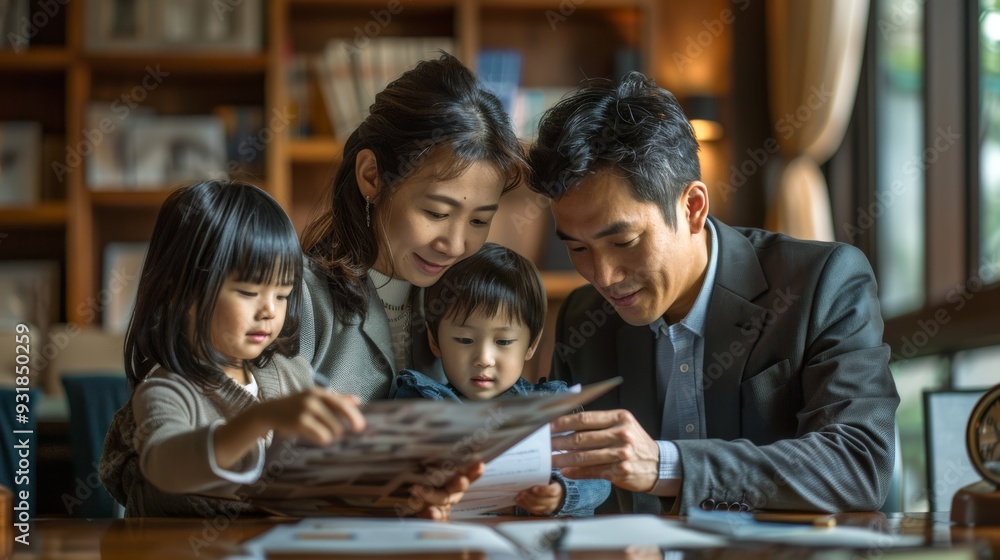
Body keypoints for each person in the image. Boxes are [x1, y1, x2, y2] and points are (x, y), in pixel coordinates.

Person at [526, 72, 900, 514]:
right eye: (577, 248)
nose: (603, 276)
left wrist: (665, 466)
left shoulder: (822, 282)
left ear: (693, 207)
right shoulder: (583, 319)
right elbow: (568, 485)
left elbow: (858, 463)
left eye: (623, 242)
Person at [298, 53, 525, 515]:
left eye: (479, 220)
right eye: (436, 212)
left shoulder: (463, 307)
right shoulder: (295, 299)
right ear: (372, 177)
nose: (455, 244)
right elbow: (248, 465)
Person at [99, 180, 366, 518]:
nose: (269, 310)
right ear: (178, 292)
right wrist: (262, 418)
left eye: (282, 295)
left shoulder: (293, 375)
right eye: (248, 292)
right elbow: (165, 466)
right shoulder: (166, 391)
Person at [391, 243, 612, 517]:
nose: (484, 359)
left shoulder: (551, 409)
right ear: (435, 341)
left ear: (531, 345)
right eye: (464, 340)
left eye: (504, 341)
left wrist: (560, 492)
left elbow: (599, 477)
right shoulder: (420, 400)